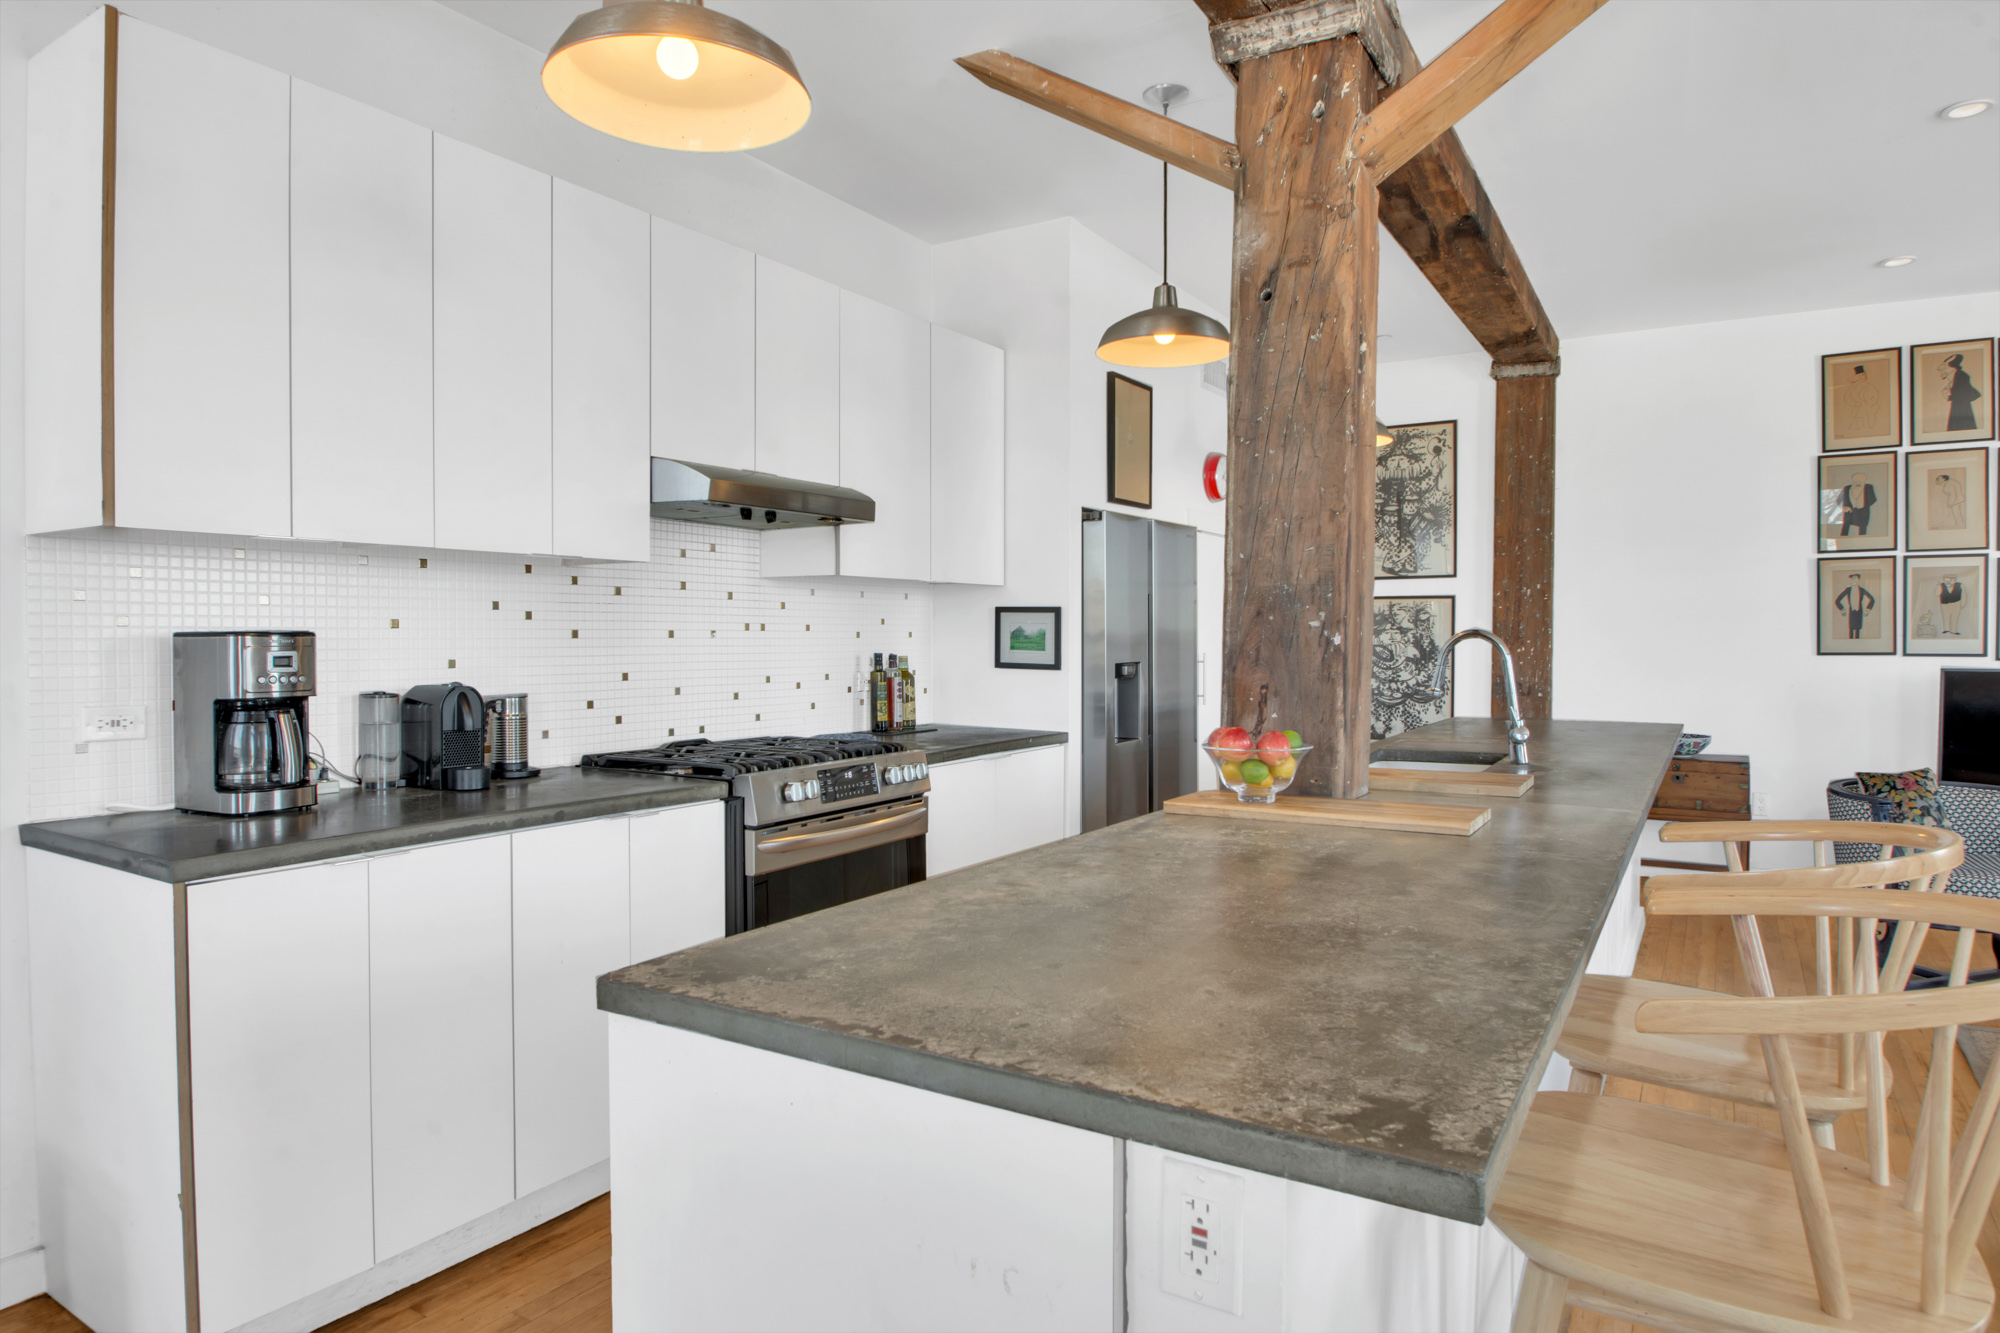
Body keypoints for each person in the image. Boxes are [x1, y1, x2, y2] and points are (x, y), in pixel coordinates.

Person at [1941, 353, 1984, 434]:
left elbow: (1960, 393)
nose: (1942, 370)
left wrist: (1949, 397)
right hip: (1959, 406)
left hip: (1961, 407)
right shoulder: (1957, 375)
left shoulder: (1961, 375)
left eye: (1944, 367)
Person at [1835, 573, 1874, 639]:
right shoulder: (1848, 590)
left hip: (1859, 612)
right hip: (1852, 613)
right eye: (1852, 579)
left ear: (1858, 580)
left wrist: (1868, 609)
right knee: (1851, 630)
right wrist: (1842, 609)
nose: (1853, 580)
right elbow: (1837, 600)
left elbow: (1872, 599)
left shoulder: (1862, 590)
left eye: (1855, 579)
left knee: (1858, 630)